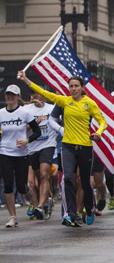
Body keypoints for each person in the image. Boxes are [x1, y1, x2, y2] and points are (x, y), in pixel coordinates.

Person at [18, 72, 107, 227]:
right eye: (71, 86)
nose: (73, 89)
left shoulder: (89, 103)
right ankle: (70, 215)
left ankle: (90, 207)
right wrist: (25, 79)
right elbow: (44, 92)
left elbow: (102, 122)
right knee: (67, 179)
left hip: (85, 146)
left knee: (85, 182)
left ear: (81, 88)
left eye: (76, 86)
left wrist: (98, 134)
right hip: (67, 146)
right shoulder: (64, 101)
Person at [1, 84, 41, 228]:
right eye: (7, 94)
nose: (9, 97)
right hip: (5, 152)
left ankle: (35, 201)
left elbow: (37, 132)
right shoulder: (1, 113)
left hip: (21, 154)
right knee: (8, 185)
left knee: (23, 186)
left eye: (13, 94)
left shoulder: (24, 113)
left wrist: (26, 140)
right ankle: (12, 216)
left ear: (18, 97)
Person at [25, 92, 57, 220]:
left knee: (44, 174)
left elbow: (58, 121)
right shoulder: (26, 110)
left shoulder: (51, 108)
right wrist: (35, 123)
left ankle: (39, 206)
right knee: (34, 183)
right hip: (32, 148)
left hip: (47, 146)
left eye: (38, 93)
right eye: (33, 93)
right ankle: (46, 201)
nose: (36, 95)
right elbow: (22, 128)